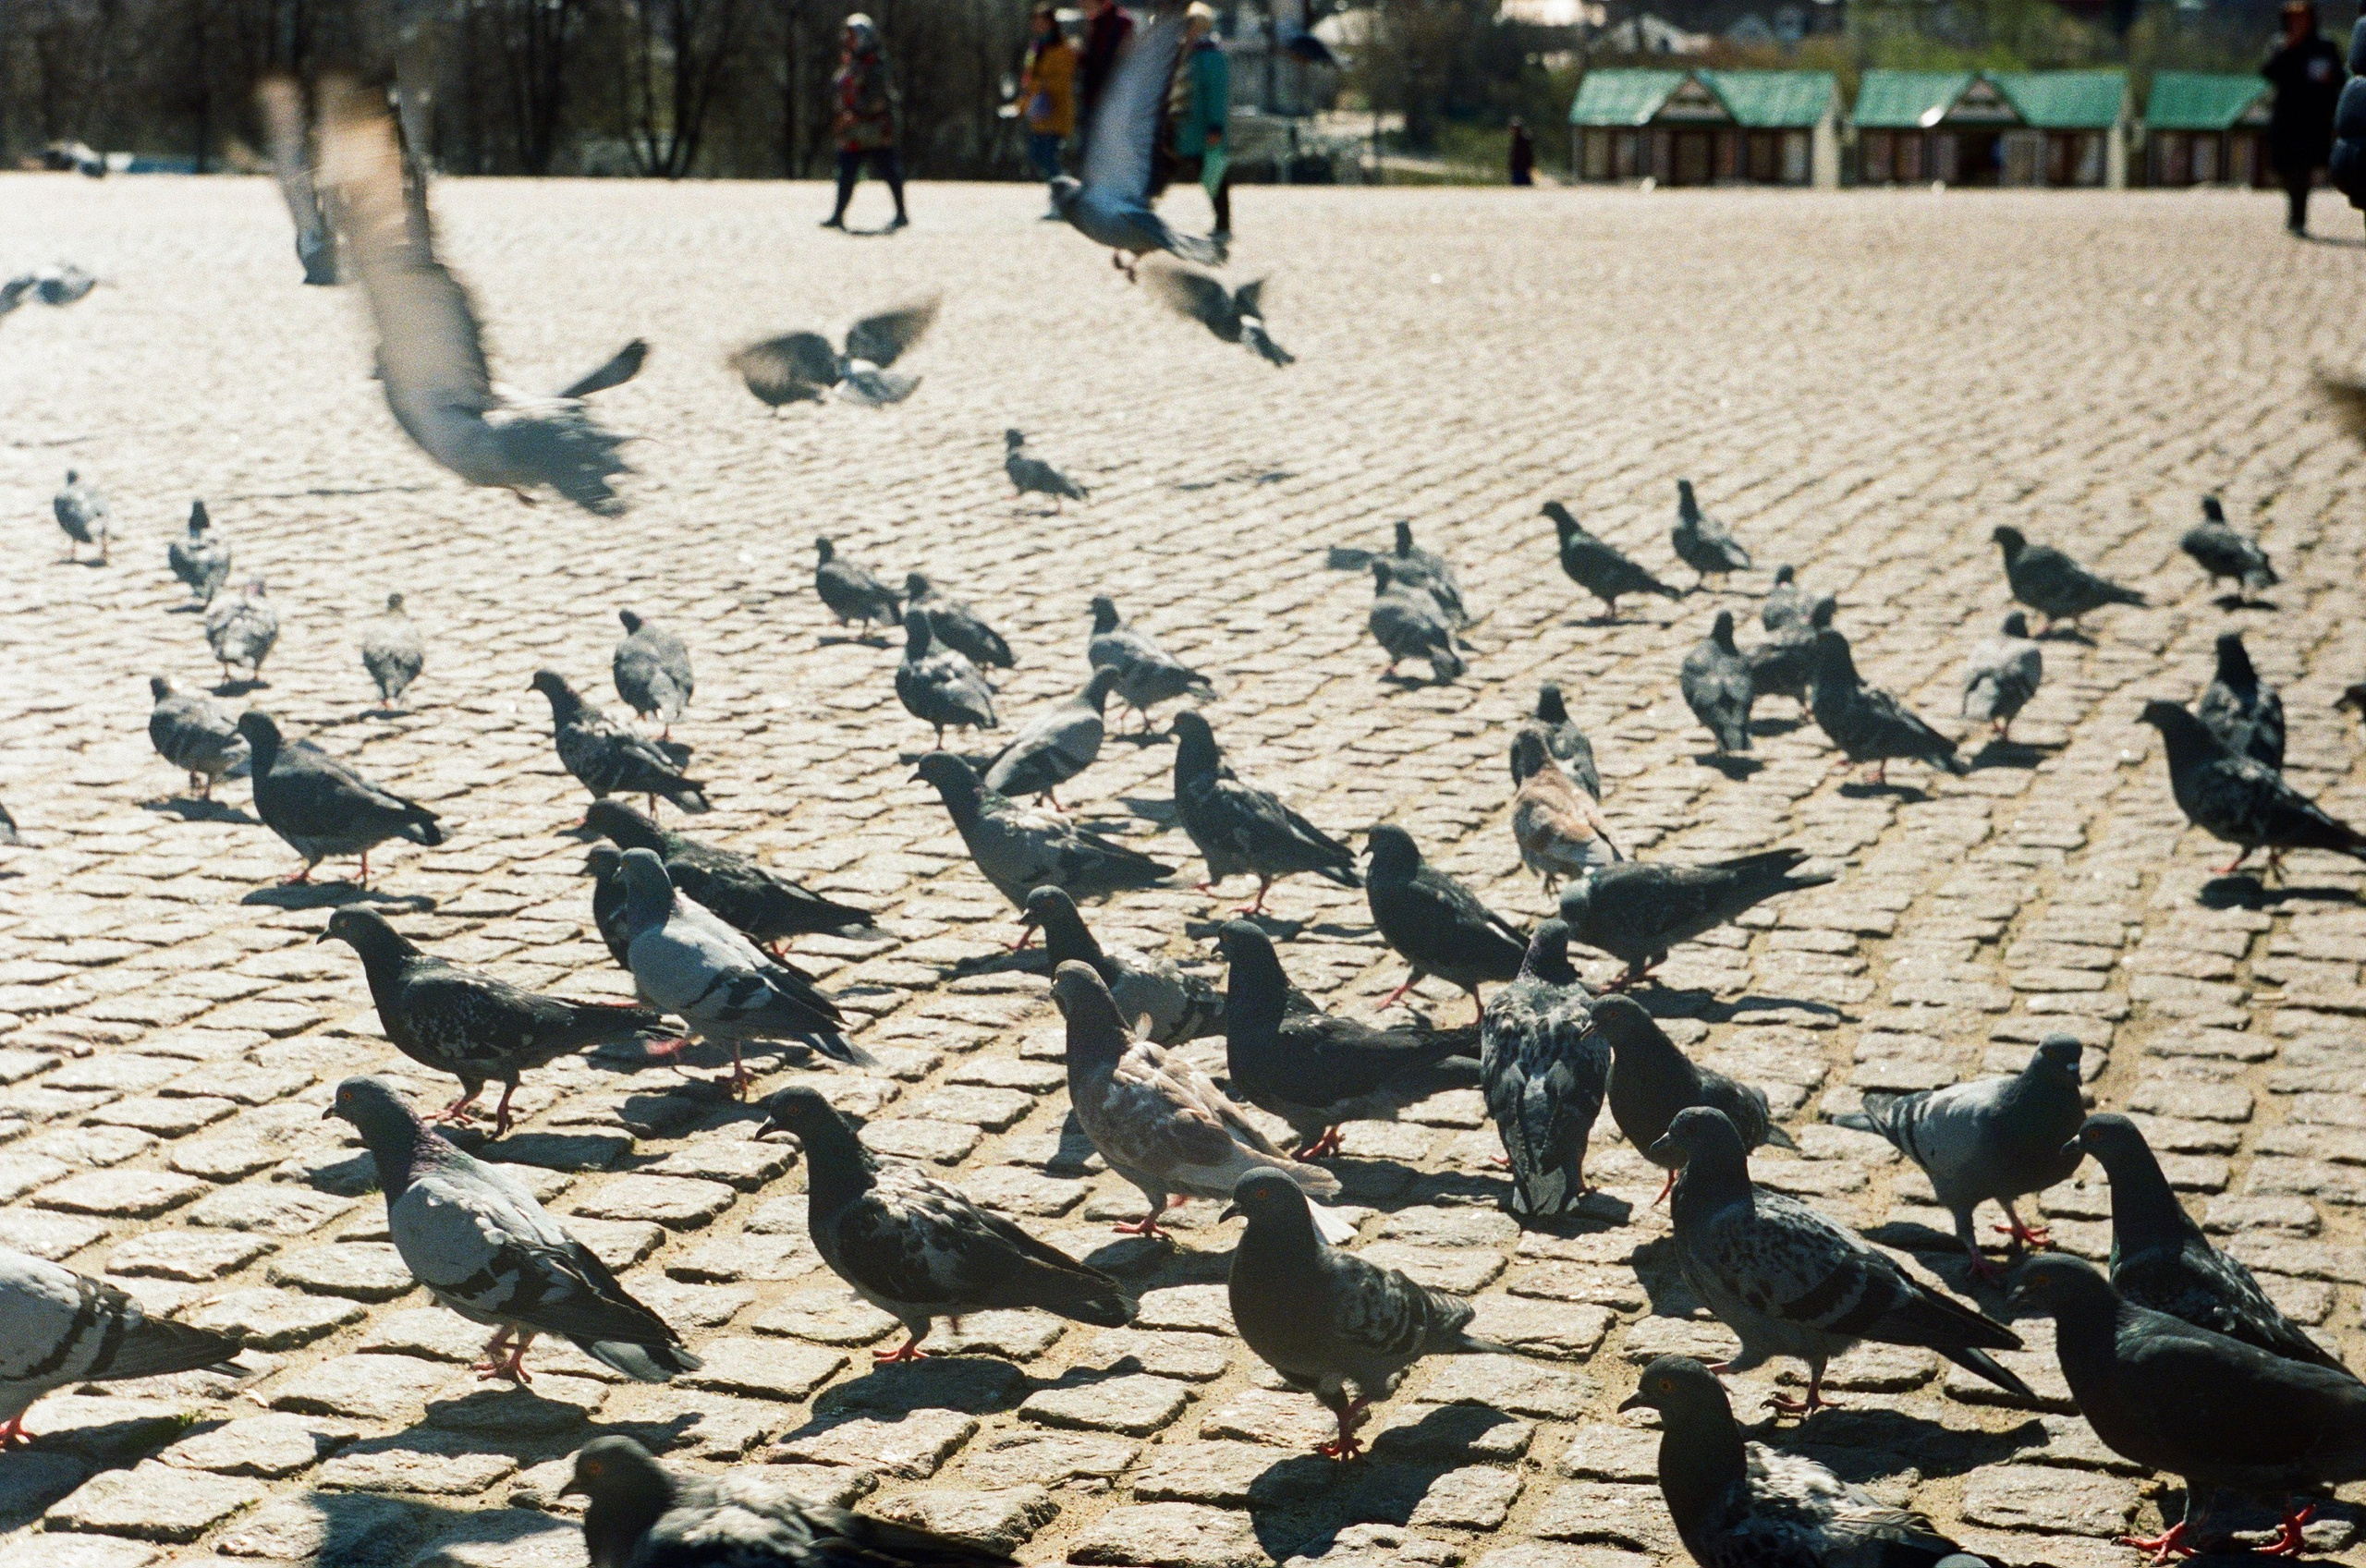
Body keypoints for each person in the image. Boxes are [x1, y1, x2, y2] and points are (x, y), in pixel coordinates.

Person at [2262, 0, 2344, 236]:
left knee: (2302, 168)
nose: (2297, 23)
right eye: (2293, 19)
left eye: (2302, 18)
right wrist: (2289, 47)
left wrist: (2328, 78)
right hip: (2285, 116)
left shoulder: (2324, 46)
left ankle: (2298, 217)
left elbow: (2340, 77)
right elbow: (2268, 72)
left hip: (2312, 118)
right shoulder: (2280, 44)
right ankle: (2294, 209)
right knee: (2283, 166)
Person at [823, 14, 907, 232]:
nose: (849, 41)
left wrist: (858, 112)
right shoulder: (850, 64)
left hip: (874, 128)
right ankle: (838, 215)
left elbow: (877, 97)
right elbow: (838, 88)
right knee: (846, 172)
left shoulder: (876, 64)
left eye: (853, 37)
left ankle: (901, 213)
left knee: (889, 170)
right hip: (853, 130)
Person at [1168, 2, 1232, 240]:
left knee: (1214, 175)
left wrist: (1216, 125)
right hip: (1187, 129)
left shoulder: (1209, 56)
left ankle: (1223, 223)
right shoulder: (1186, 54)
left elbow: (1216, 94)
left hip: (1205, 129)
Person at [1020, 7, 1077, 189]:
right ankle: (1060, 193)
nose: (1037, 25)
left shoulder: (1062, 48)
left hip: (1055, 112)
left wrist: (1039, 86)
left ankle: (1065, 192)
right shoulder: (1036, 47)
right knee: (1037, 156)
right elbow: (1028, 78)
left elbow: (1062, 80)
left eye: (1042, 21)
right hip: (1038, 112)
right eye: (1035, 20)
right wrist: (1021, 104)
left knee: (1047, 156)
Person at [1078, 0, 1134, 140]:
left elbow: (1120, 59)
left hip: (1112, 96)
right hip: (1093, 94)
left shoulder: (1120, 21)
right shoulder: (1095, 22)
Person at [1508, 116, 1536, 186]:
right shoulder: (1516, 139)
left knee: (1524, 185)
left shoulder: (1524, 139)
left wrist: (1530, 164)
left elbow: (1528, 154)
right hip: (1517, 168)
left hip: (1523, 167)